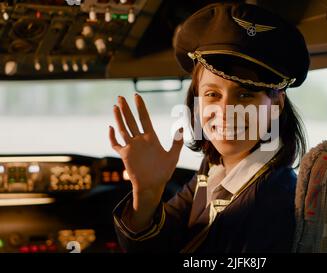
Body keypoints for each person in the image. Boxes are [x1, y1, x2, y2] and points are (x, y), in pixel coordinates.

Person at [110, 2, 310, 253]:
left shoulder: (274, 201)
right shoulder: (215, 168)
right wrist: (147, 195)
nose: (225, 111)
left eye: (245, 95)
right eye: (213, 94)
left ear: (276, 104)